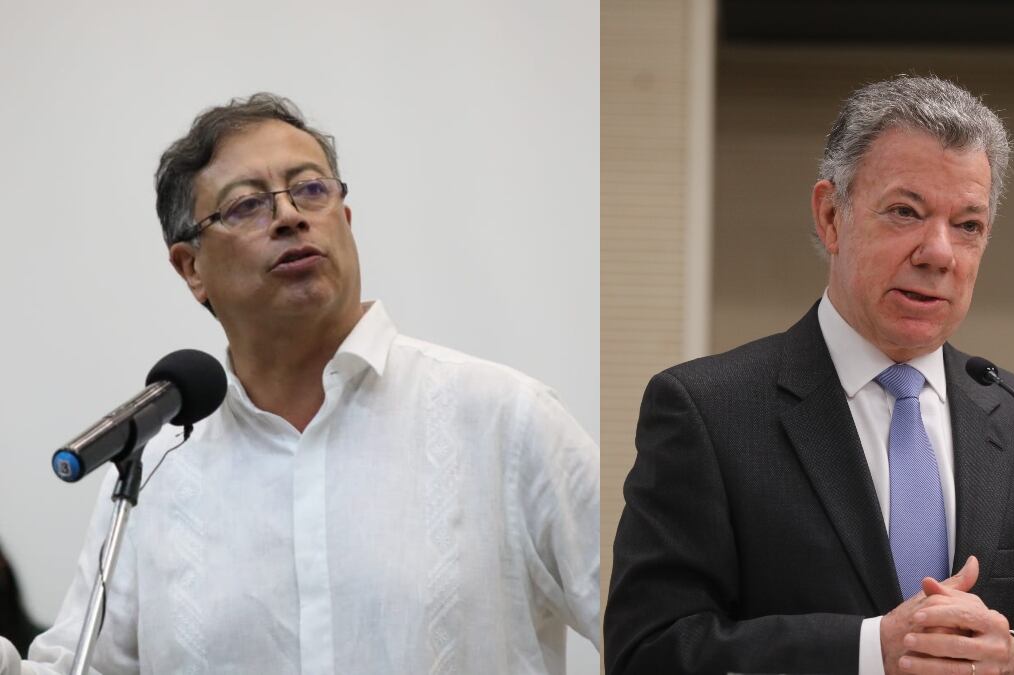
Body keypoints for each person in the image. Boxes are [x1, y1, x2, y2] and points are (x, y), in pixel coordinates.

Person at [0, 93, 598, 674]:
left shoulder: (506, 420)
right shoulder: (154, 469)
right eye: (246, 205)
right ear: (191, 268)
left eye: (311, 189)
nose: (290, 216)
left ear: (345, 220)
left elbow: (644, 628)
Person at [605, 75, 1014, 674]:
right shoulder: (708, 411)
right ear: (830, 217)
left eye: (967, 225)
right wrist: (871, 651)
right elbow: (646, 652)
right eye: (905, 212)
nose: (938, 253)